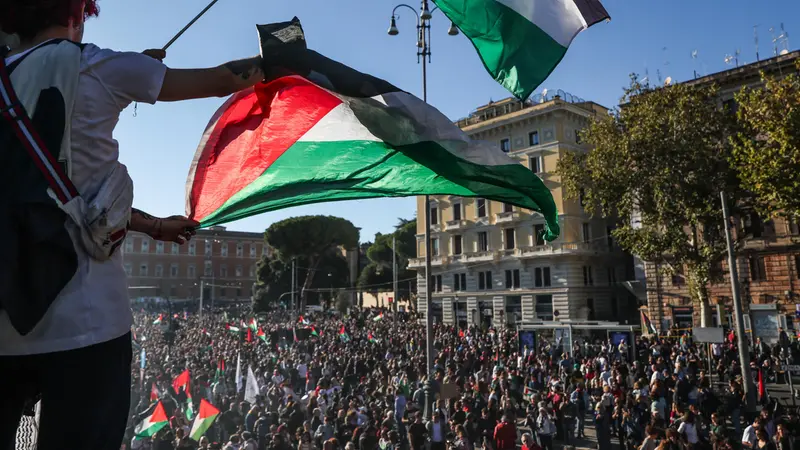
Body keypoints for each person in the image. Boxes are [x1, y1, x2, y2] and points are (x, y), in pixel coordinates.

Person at [0, 1, 268, 449]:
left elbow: (43, 194)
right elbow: (224, 79)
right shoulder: (97, 65)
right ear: (77, 14)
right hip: (87, 322)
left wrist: (154, 227)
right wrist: (282, 57)